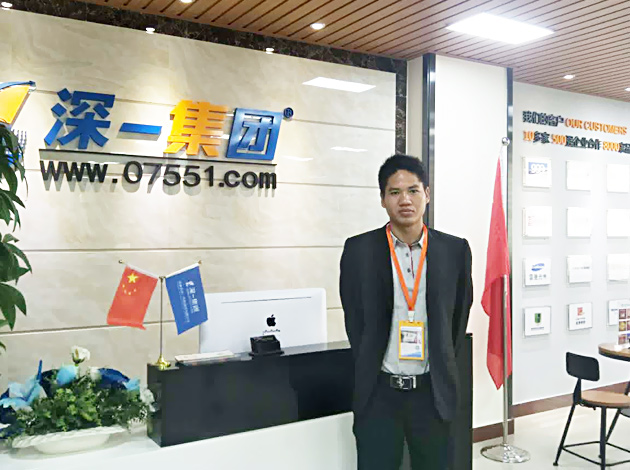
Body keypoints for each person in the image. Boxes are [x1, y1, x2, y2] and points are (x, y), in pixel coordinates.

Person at [339, 154, 473, 470]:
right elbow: (354, 319)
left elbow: (457, 319)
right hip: (379, 393)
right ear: (382, 199)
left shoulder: (454, 251)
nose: (405, 200)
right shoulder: (359, 250)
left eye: (413, 190)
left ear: (427, 194)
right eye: (395, 192)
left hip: (432, 394)